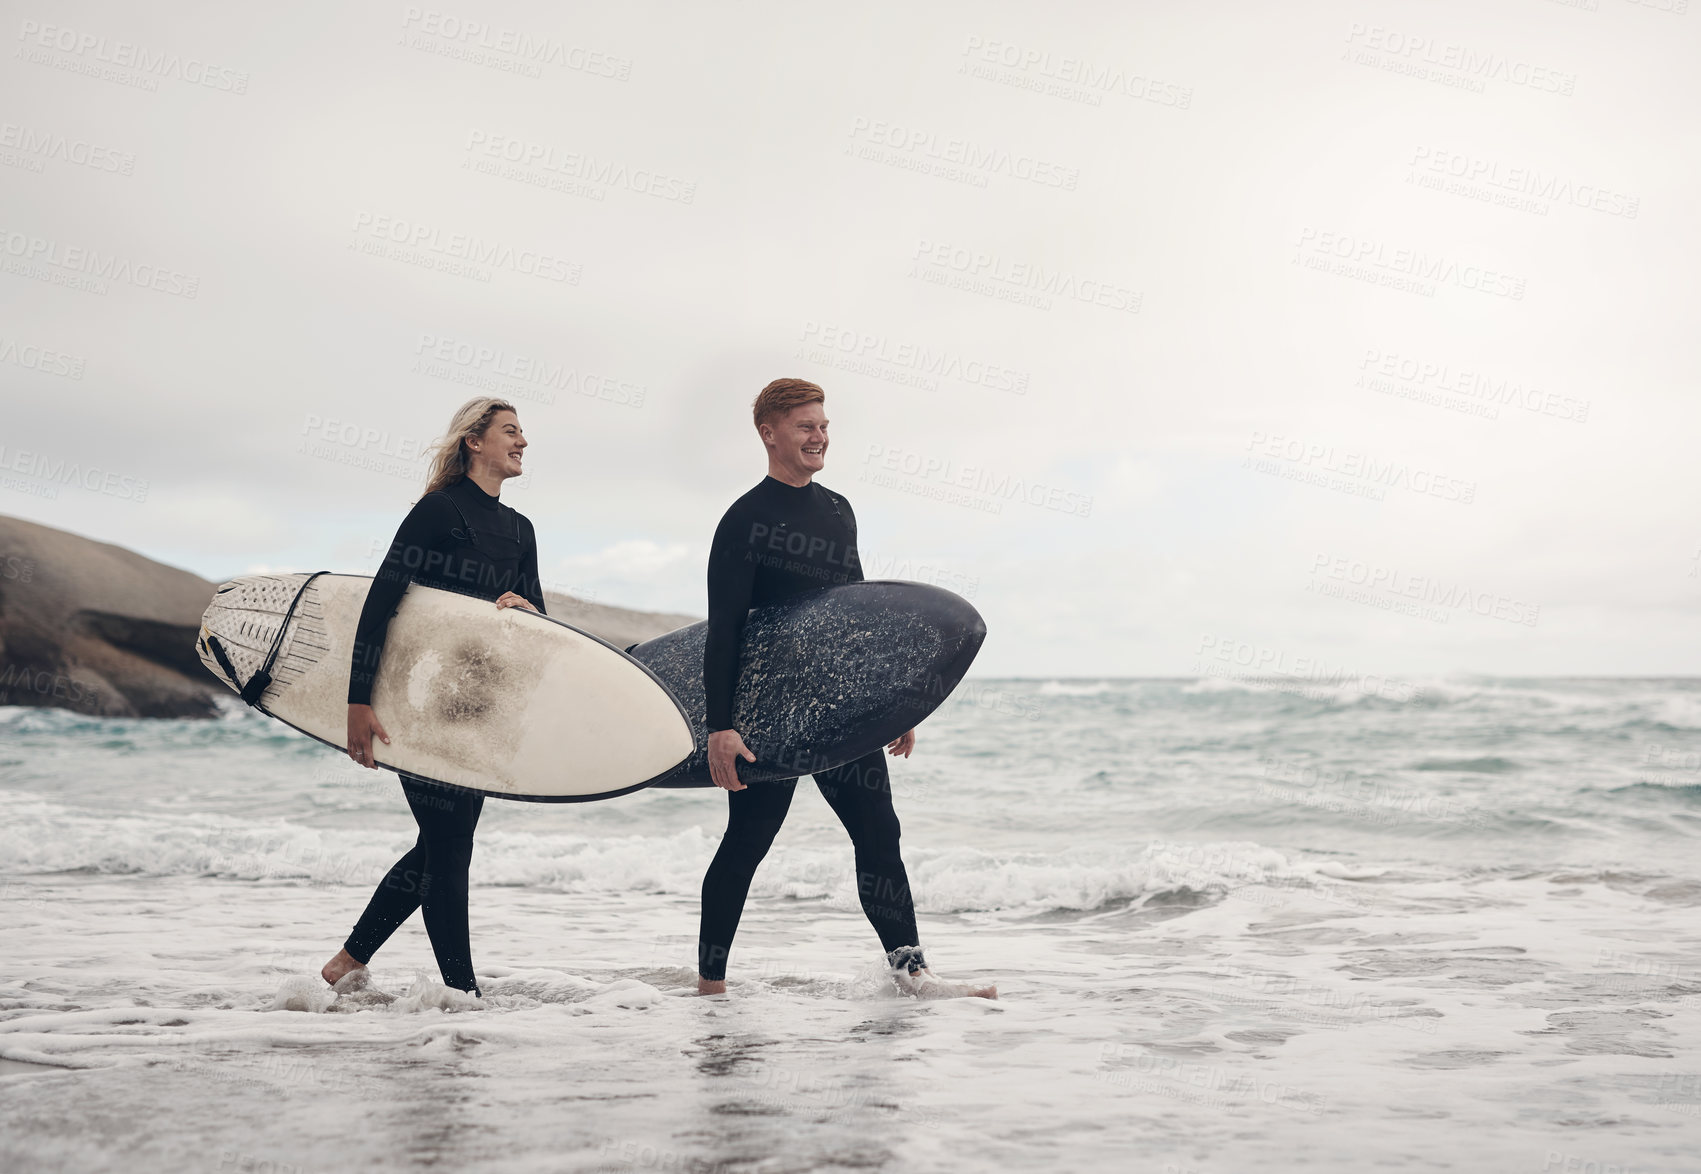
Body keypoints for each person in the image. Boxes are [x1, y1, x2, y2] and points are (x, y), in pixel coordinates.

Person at [695, 377, 996, 1000]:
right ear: (769, 433)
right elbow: (724, 632)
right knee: (748, 841)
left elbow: (858, 617)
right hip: (769, 712)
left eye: (823, 425)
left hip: (837, 704)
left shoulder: (837, 511)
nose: (819, 435)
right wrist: (720, 727)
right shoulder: (745, 520)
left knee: (879, 833)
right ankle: (711, 984)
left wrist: (892, 702)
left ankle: (913, 974)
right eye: (805, 426)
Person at [320, 397, 546, 998]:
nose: (522, 442)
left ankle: (349, 960)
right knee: (450, 848)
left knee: (443, 843)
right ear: (474, 442)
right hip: (415, 703)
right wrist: (357, 703)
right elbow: (381, 603)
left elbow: (537, 625)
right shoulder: (437, 513)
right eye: (510, 432)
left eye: (523, 433)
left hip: (473, 711)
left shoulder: (521, 531)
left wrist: (521, 609)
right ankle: (461, 995)